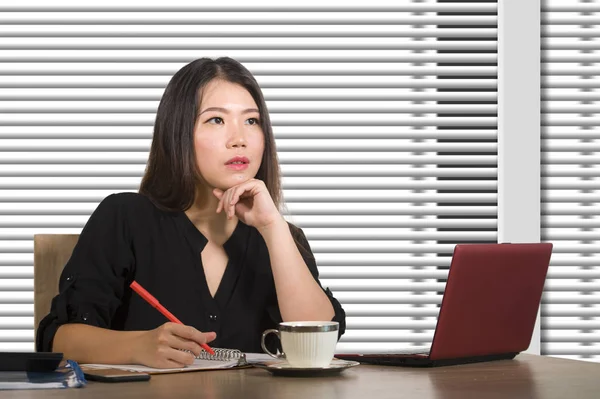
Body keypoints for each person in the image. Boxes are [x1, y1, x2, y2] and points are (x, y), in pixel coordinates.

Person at [36, 57, 346, 369]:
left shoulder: (283, 236)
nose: (239, 138)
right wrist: (136, 345)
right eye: (216, 120)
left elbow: (318, 342)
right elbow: (57, 339)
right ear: (179, 133)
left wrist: (272, 227)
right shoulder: (125, 217)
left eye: (252, 121)